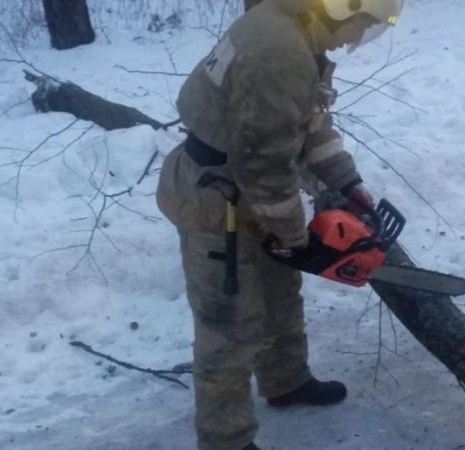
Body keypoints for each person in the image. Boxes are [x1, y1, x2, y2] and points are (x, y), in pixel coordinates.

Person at [155, 1, 404, 449]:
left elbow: (309, 124)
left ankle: (286, 380)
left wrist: (346, 182)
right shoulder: (279, 53)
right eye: (361, 27)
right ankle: (226, 438)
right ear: (339, 7)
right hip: (216, 196)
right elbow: (264, 166)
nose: (354, 40)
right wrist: (295, 237)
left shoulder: (297, 33)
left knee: (279, 294)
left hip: (249, 188)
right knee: (228, 324)